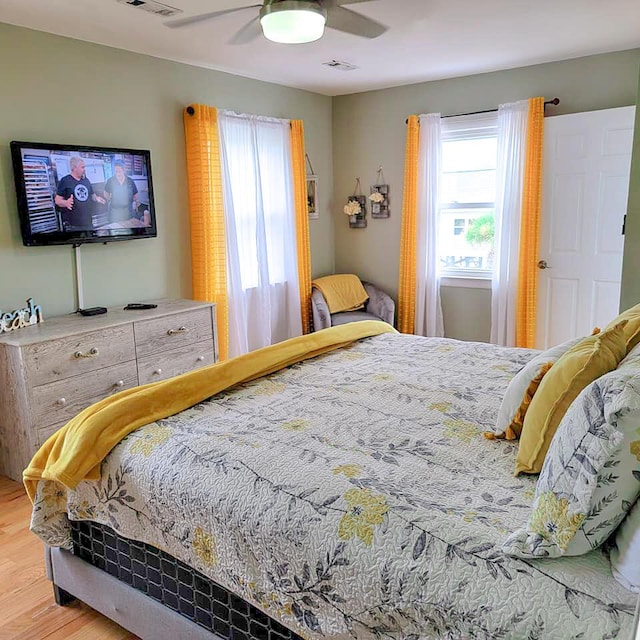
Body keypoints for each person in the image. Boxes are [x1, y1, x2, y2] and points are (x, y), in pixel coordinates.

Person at [54, 157, 105, 230]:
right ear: (74, 168)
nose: (84, 169)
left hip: (88, 223)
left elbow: (91, 195)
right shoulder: (65, 181)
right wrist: (65, 203)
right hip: (73, 226)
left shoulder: (86, 180)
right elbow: (57, 200)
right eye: (82, 167)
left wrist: (97, 198)